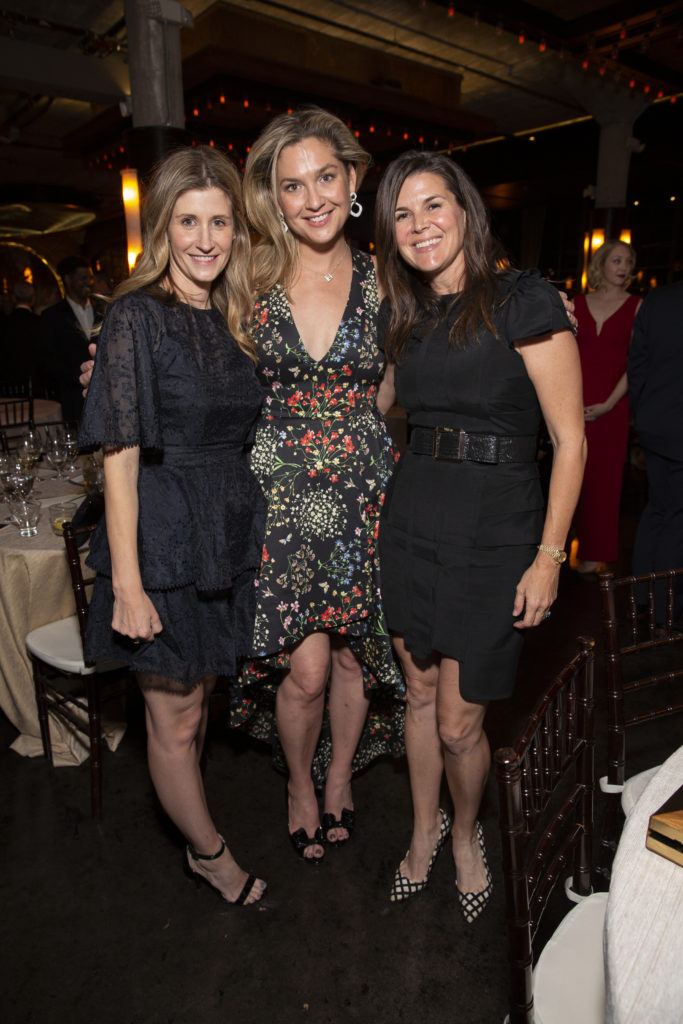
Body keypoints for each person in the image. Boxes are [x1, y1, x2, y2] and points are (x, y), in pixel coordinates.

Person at [374, 151, 585, 921]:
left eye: (432, 205)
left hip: (497, 529)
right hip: (413, 519)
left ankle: (466, 833)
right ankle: (422, 828)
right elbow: (377, 405)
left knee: (463, 720)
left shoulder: (523, 300)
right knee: (419, 692)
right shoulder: (405, 315)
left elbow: (570, 441)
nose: (419, 224)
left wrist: (548, 557)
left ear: (464, 211)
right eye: (401, 213)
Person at [78, 146, 267, 905]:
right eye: (188, 221)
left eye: (219, 221)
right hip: (158, 535)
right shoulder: (135, 316)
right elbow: (118, 458)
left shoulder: (231, 316)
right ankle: (209, 854)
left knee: (200, 702)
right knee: (176, 713)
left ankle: (198, 833)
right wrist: (126, 581)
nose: (204, 238)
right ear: (162, 226)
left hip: (221, 528)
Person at [230, 108, 405, 861]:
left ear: (353, 179)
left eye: (324, 177)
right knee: (300, 669)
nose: (312, 198)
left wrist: (541, 315)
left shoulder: (384, 277)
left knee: (350, 656)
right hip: (279, 502)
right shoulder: (248, 277)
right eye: (291, 185)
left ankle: (338, 780)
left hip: (364, 492)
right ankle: (299, 780)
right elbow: (192, 359)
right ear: (273, 197)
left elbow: (395, 381)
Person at [572, 240, 641, 574]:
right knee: (568, 478)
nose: (623, 266)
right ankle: (554, 552)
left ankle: (593, 552)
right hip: (571, 402)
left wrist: (609, 405)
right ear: (601, 264)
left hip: (613, 406)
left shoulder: (638, 306)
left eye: (628, 261)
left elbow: (637, 362)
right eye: (616, 260)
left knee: (603, 482)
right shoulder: (575, 302)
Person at [628, 280, 683, 623]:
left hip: (654, 421)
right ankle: (667, 610)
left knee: (658, 507)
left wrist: (643, 412)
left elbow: (637, 364)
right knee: (676, 516)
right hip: (676, 424)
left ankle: (641, 595)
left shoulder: (657, 299)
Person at [39, 256, 102, 423]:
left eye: (90, 278)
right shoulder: (52, 316)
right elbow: (48, 361)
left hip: (104, 398)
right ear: (67, 279)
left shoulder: (103, 310)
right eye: (82, 278)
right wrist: (79, 377)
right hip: (72, 400)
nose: (88, 282)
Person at [2, 281, 40, 387]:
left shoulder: (4, 323)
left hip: (8, 385)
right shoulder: (40, 323)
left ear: (14, 298)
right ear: (33, 299)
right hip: (36, 384)